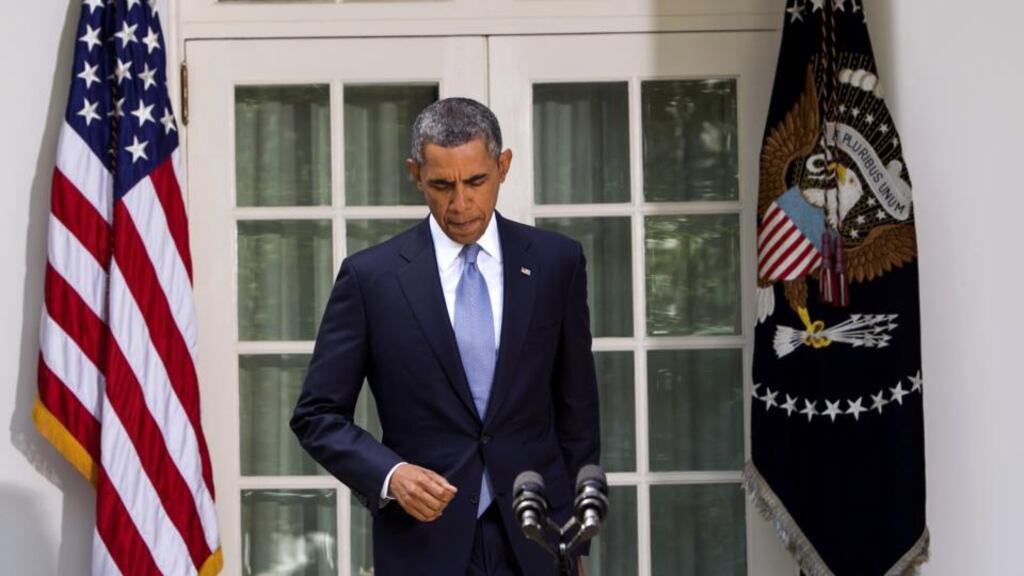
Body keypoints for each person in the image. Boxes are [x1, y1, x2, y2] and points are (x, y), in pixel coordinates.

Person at [291, 97, 600, 576]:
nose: (460, 204)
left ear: (503, 167)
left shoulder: (556, 262)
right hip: (423, 542)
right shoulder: (370, 279)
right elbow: (316, 415)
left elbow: (577, 411)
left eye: (476, 181)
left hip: (538, 539)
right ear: (416, 174)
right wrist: (392, 475)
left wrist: (575, 538)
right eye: (441, 185)